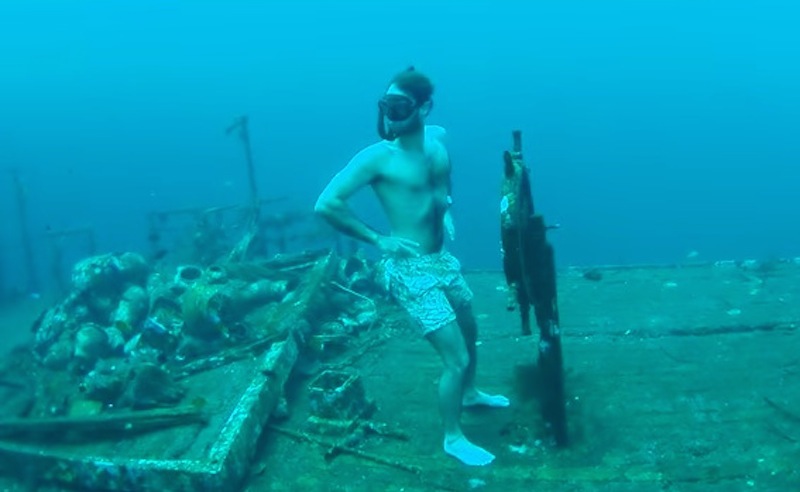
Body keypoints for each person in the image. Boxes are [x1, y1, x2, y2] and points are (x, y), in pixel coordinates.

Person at [314, 67, 509, 466]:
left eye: (400, 105)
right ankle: (453, 438)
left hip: (441, 261)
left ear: (424, 107)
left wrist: (447, 208)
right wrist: (378, 239)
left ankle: (470, 395)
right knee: (454, 357)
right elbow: (326, 203)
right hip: (410, 269)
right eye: (386, 105)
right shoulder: (377, 158)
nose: (391, 114)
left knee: (470, 333)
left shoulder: (438, 139)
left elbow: (441, 183)